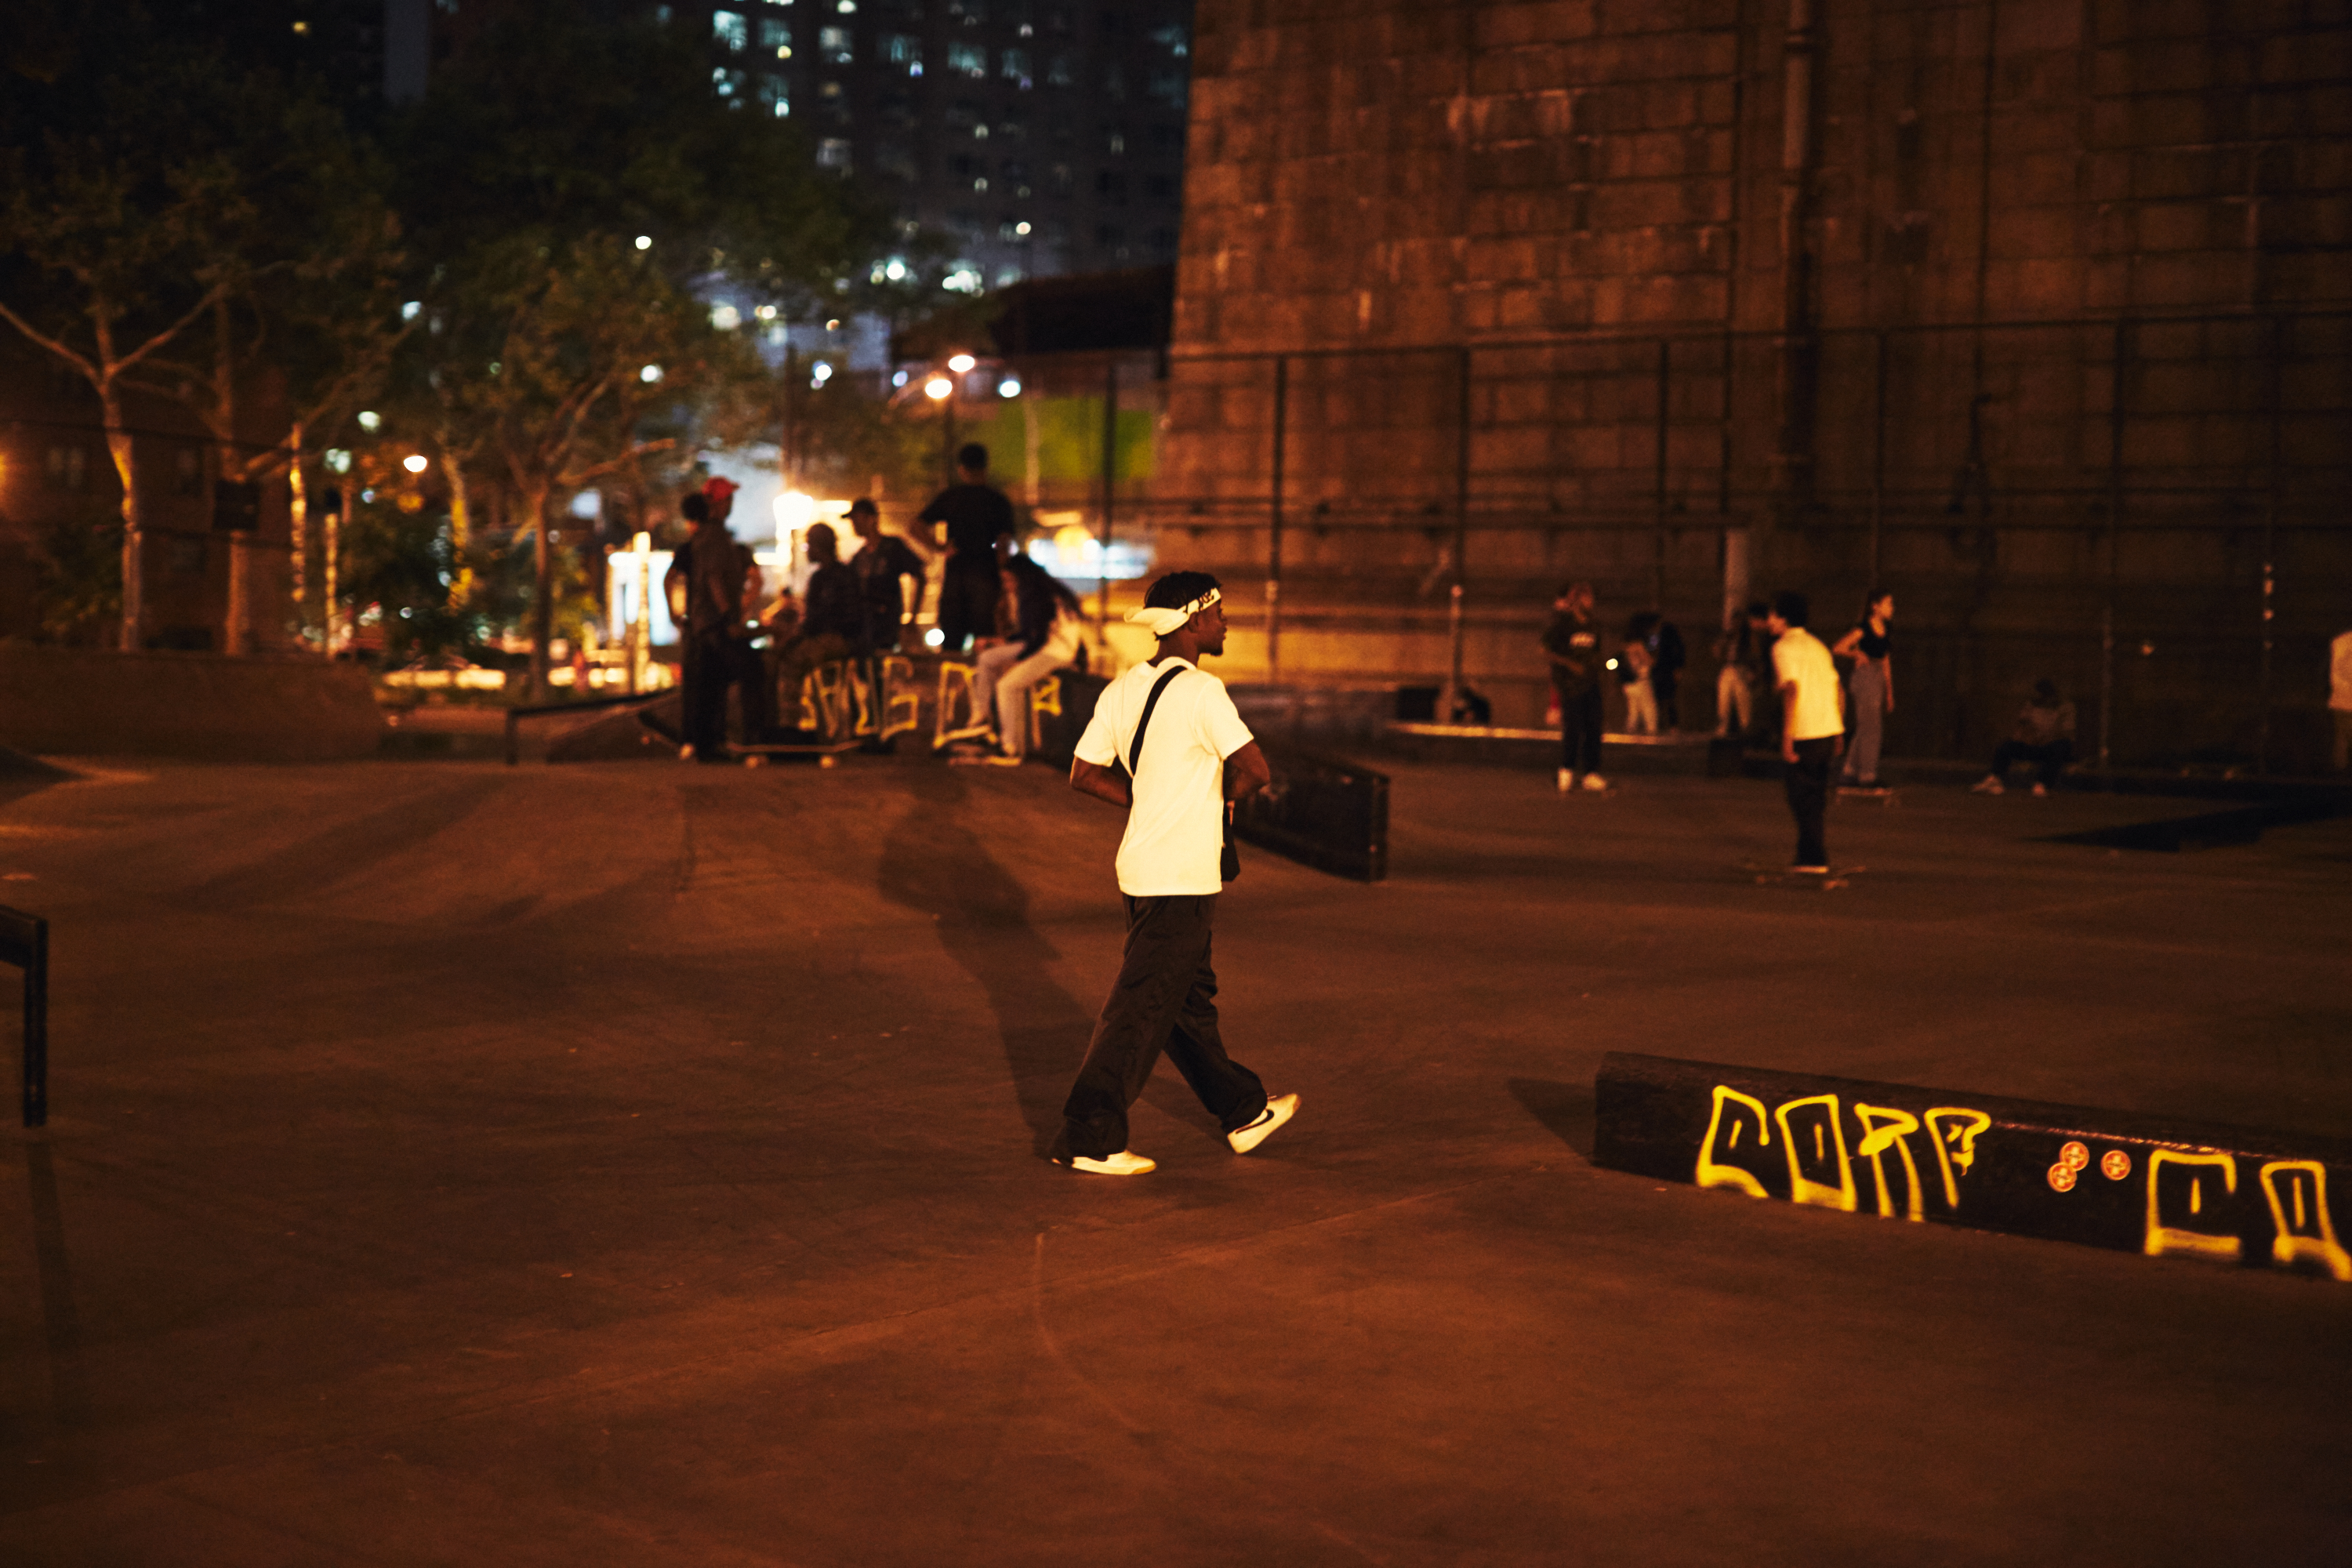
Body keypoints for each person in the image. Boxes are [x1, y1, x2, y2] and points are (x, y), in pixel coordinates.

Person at [1054, 571, 1297, 1176]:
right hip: (1183, 879)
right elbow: (1255, 768)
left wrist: (1147, 802)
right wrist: (1223, 803)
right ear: (1192, 621)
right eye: (1218, 614)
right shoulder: (1202, 692)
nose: (1224, 624)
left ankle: (1242, 1111)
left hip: (1141, 871)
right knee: (1138, 1009)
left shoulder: (1119, 690)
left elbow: (1083, 773)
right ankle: (1089, 1134)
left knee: (1185, 1003)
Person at [966, 535, 1086, 766]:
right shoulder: (1044, 592)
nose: (1008, 586)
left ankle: (1011, 749)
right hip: (1048, 646)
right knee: (989, 658)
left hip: (1055, 651)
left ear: (1022, 578)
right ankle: (979, 717)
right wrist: (998, 642)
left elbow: (1037, 639)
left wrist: (1019, 660)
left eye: (1010, 580)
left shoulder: (1038, 596)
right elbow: (1031, 634)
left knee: (1007, 686)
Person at [662, 481, 745, 762]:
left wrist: (677, 615)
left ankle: (700, 743)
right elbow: (714, 579)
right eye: (729, 498)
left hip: (698, 623)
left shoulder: (696, 541)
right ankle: (714, 743)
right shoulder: (715, 537)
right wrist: (728, 616)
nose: (732, 503)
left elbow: (671, 578)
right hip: (713, 623)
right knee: (721, 681)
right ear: (719, 504)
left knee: (701, 685)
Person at [1768, 590, 1844, 873]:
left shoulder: (1783, 648)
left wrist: (1787, 738)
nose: (1770, 621)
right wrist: (1839, 730)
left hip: (1805, 731)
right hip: (1827, 728)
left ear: (1783, 618)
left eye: (1773, 615)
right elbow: (1838, 689)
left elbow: (1791, 689)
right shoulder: (1819, 647)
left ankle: (1813, 858)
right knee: (1816, 796)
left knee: (1801, 797)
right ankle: (1807, 854)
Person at [919, 443, 1018, 653]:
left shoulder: (952, 497)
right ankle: (983, 684)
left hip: (956, 576)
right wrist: (1003, 577)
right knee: (986, 642)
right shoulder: (997, 501)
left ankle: (953, 683)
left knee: (952, 643)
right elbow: (1003, 544)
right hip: (986, 576)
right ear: (985, 467)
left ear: (961, 469)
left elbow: (915, 526)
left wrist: (940, 547)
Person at [771, 523, 862, 735]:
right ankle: (825, 728)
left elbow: (817, 620)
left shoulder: (830, 578)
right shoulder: (838, 575)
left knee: (791, 661)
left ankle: (789, 727)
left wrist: (792, 640)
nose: (807, 551)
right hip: (836, 639)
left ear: (819, 547)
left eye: (808, 545)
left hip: (837, 640)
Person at [1541, 582, 1606, 793]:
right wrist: (1570, 665)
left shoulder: (1594, 625)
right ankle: (1567, 769)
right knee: (1573, 729)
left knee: (1594, 728)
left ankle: (1591, 773)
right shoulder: (1563, 625)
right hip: (1571, 686)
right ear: (1577, 600)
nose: (1591, 602)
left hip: (1591, 683)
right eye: (1587, 598)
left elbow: (1597, 651)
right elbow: (1544, 650)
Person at [844, 498, 928, 655]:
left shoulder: (892, 547)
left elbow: (920, 575)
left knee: (885, 659)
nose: (854, 524)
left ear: (872, 519)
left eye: (858, 519)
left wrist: (912, 616)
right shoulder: (859, 557)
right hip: (864, 624)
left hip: (887, 621)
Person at [1831, 590, 1896, 787]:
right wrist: (1857, 654)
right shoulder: (1864, 628)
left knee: (1867, 726)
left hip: (1876, 677)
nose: (1891, 608)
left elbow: (1885, 660)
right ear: (1875, 606)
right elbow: (1839, 647)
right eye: (1888, 604)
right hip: (1865, 677)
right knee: (1871, 727)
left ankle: (1850, 771)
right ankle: (1867, 774)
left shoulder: (1885, 628)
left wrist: (1889, 691)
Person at [1974, 679, 2076, 796]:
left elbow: (2068, 733)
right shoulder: (2032, 704)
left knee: (2061, 747)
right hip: (2033, 745)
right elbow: (2022, 725)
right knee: (2006, 746)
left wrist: (2047, 739)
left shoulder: (2066, 707)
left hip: (2050, 746)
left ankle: (2042, 783)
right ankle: (1994, 780)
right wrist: (2026, 737)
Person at [1713, 601, 1769, 738]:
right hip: (1729, 667)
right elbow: (1717, 650)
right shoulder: (1729, 635)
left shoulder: (1749, 636)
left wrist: (1754, 670)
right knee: (1724, 698)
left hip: (1742, 667)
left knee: (1743, 700)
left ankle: (1746, 728)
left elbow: (1755, 654)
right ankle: (1723, 726)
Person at [1645, 612, 1687, 730]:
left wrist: (1678, 667)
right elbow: (1651, 649)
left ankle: (1673, 725)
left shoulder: (1669, 634)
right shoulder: (1654, 636)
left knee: (1669, 699)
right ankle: (1660, 725)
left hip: (1667, 669)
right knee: (1658, 699)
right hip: (1657, 670)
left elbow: (1678, 650)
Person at [1620, 617, 1659, 735]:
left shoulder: (1626, 647)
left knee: (1633, 710)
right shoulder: (1639, 646)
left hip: (1628, 683)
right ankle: (1652, 731)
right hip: (1641, 680)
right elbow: (1648, 661)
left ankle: (1630, 731)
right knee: (1649, 708)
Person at [2332, 627, 2352, 772]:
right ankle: (2340, 771)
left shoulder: (2340, 641)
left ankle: (2340, 770)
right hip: (2344, 701)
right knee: (2342, 738)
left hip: (2341, 701)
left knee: (2342, 738)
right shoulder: (2342, 642)